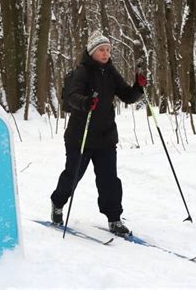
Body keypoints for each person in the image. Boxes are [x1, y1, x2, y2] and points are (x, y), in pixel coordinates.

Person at [50, 30, 147, 236]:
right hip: (80, 136)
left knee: (109, 180)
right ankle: (57, 203)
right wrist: (86, 102)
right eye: (101, 50)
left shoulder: (111, 72)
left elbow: (127, 96)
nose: (106, 54)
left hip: (105, 136)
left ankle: (114, 219)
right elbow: (72, 96)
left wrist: (138, 87)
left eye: (108, 50)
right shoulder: (82, 72)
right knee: (72, 175)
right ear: (92, 51)